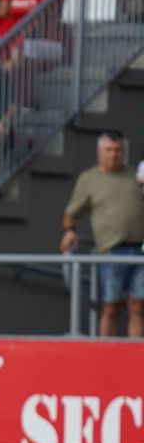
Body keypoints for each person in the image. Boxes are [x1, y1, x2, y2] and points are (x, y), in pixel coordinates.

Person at [60, 131, 144, 337]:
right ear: (99, 151)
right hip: (111, 251)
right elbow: (71, 213)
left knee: (137, 307)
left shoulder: (134, 176)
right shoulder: (89, 179)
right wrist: (70, 231)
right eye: (109, 150)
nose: (114, 155)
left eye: (118, 150)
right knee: (110, 307)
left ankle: (136, 356)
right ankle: (107, 353)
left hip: (139, 250)